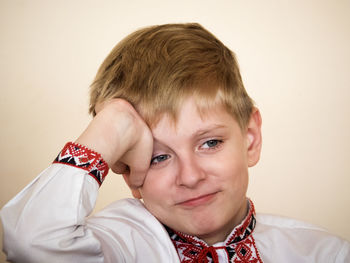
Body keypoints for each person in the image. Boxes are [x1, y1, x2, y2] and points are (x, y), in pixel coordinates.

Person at [1, 23, 349, 263]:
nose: (190, 176)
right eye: (158, 157)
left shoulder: (323, 253)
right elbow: (29, 242)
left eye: (210, 143)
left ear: (251, 138)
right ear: (126, 171)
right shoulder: (121, 244)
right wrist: (113, 124)